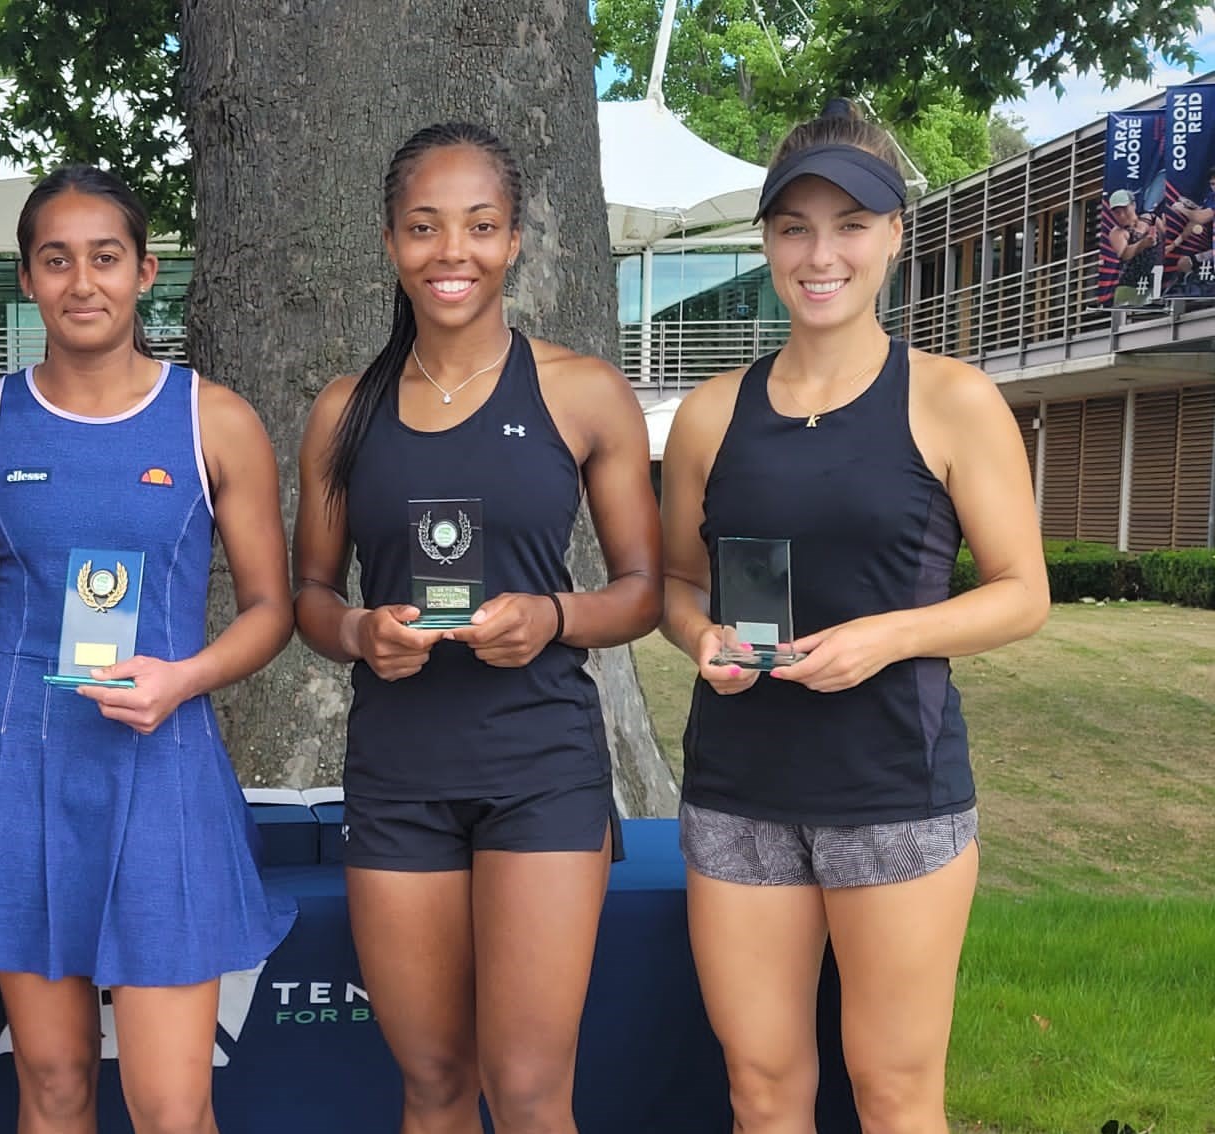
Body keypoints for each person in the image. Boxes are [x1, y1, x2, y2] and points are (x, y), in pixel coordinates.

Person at [658, 100, 1049, 1132]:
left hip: (896, 796)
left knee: (895, 1093)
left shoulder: (952, 400)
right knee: (764, 1090)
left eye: (850, 224)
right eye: (794, 227)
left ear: (893, 237)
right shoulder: (710, 413)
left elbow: (1022, 591)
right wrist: (698, 633)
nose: (820, 253)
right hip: (739, 794)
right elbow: (674, 581)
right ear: (767, 241)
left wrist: (892, 635)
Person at [291, 122, 663, 1133]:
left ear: (515, 241)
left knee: (532, 1092)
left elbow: (644, 589)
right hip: (399, 777)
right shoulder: (342, 413)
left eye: (479, 226)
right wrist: (361, 632)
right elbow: (310, 599)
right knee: (435, 1086)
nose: (451, 251)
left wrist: (553, 616)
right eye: (424, 227)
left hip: (541, 769)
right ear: (390, 243)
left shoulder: (582, 392)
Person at [0, 164, 295, 1134]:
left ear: (146, 273)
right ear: (28, 280)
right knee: (53, 1086)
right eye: (56, 260)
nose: (82, 281)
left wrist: (186, 677)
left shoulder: (215, 419)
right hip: (22, 777)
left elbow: (269, 610)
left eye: (106, 258)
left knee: (170, 1105)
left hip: (162, 773)